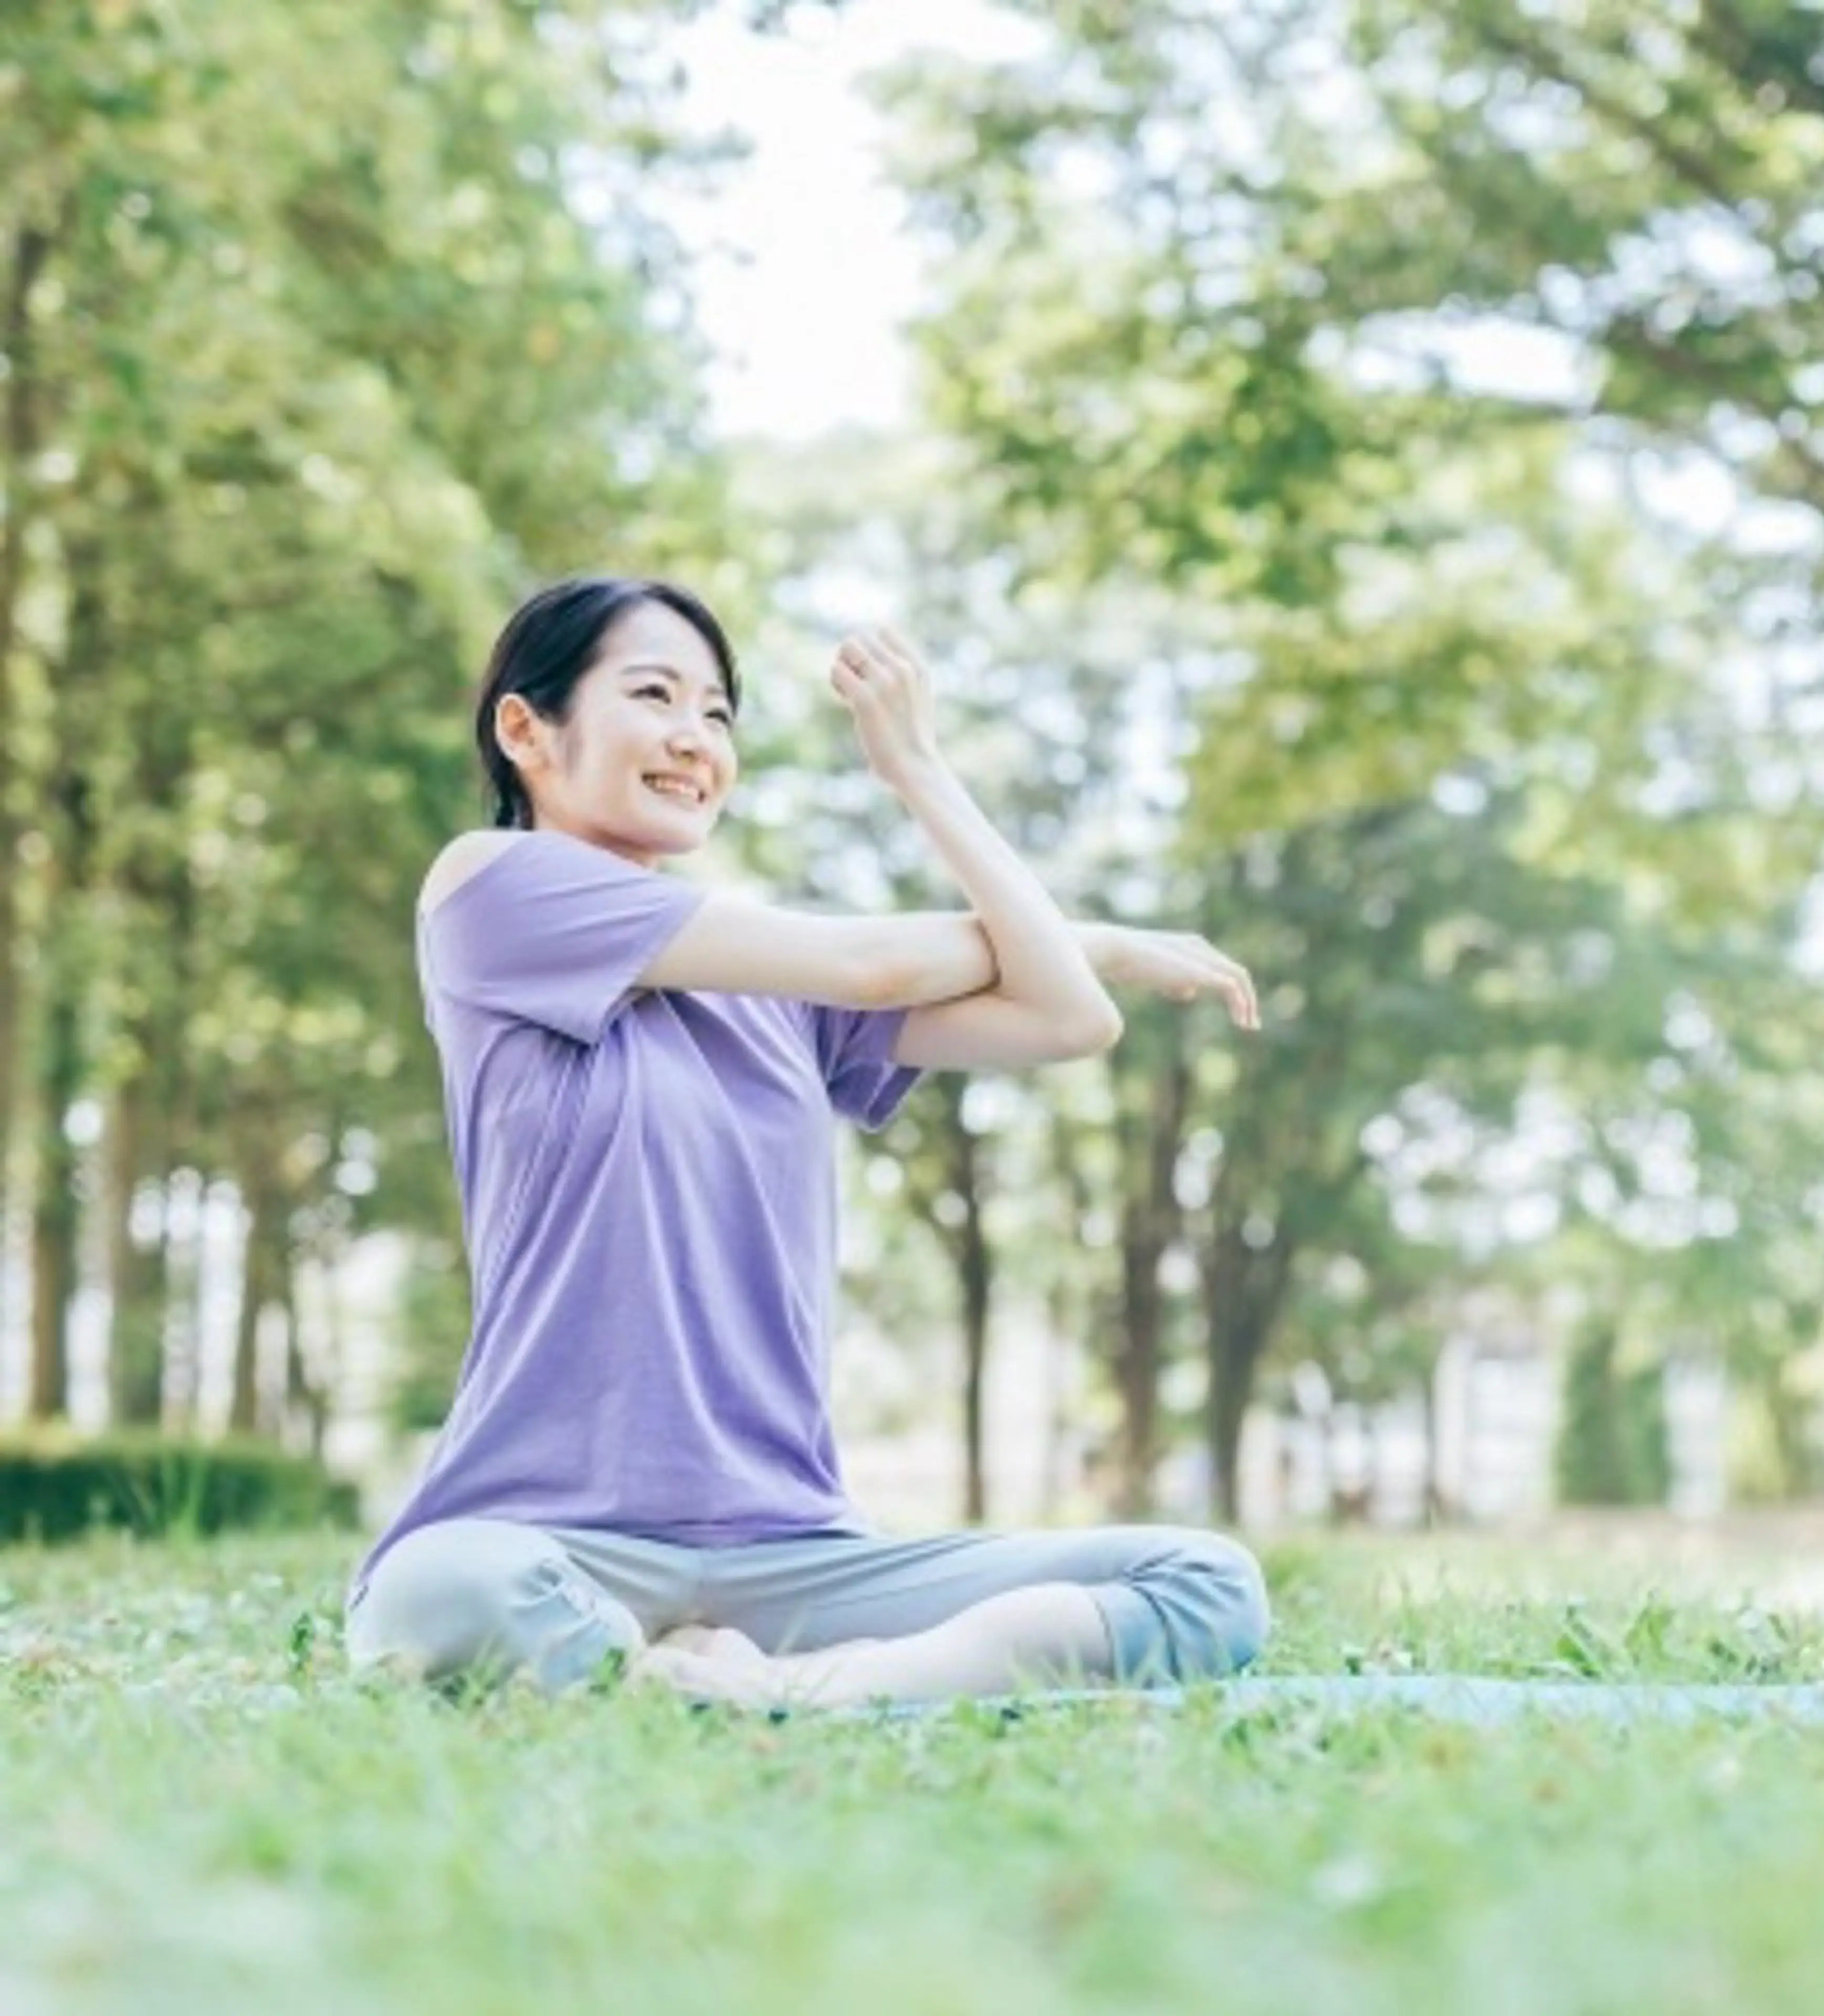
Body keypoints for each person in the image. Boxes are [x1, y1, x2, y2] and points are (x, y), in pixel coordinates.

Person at [345, 576, 1271, 1708]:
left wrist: (920, 773)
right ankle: (753, 1681)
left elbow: (1068, 1018)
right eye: (655, 696)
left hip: (792, 1549)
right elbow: (874, 964)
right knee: (440, 1591)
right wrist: (1107, 939)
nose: (696, 739)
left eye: (719, 714)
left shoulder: (778, 992)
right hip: (549, 1536)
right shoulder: (488, 889)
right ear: (525, 730)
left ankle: (773, 1687)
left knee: (1205, 1583)